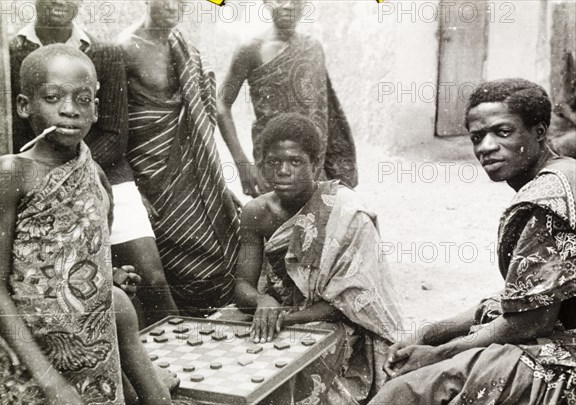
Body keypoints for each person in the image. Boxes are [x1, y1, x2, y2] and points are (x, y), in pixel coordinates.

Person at [0, 45, 171, 404]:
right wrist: (50, 382)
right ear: (25, 105)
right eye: (53, 97)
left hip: (92, 356)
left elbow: (83, 250)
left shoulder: (95, 175)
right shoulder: (12, 172)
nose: (70, 109)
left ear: (96, 111)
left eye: (83, 99)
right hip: (31, 361)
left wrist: (107, 276)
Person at [370, 78, 576, 404]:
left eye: (502, 132)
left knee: (402, 392)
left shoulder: (546, 197)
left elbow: (531, 318)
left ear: (539, 131)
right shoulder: (566, 172)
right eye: (477, 137)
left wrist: (440, 353)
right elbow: (527, 293)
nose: (486, 147)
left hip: (566, 357)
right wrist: (431, 332)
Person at [9, 0, 179, 326]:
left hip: (107, 172)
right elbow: (18, 134)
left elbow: (114, 136)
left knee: (152, 279)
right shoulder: (13, 54)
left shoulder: (103, 52)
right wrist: (56, 177)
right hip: (41, 176)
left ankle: (181, 361)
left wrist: (78, 170)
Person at [234, 113, 402, 404]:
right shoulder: (256, 212)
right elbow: (241, 285)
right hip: (277, 313)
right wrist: (263, 301)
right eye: (274, 162)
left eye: (295, 162)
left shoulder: (348, 213)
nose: (283, 171)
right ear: (262, 166)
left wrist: (286, 319)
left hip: (336, 321)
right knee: (238, 363)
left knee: (307, 366)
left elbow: (352, 302)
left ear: (315, 164)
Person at [116, 0, 240, 317]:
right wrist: (132, 191)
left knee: (213, 254)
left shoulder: (185, 49)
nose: (174, 5)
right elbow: (112, 132)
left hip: (190, 175)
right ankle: (172, 334)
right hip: (148, 177)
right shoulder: (123, 49)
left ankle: (208, 325)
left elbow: (200, 118)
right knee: (162, 266)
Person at [217, 0, 358, 197]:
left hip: (312, 166)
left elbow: (327, 112)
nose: (287, 6)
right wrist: (242, 164)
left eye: (296, 0)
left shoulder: (313, 48)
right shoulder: (251, 50)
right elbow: (222, 104)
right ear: (266, 3)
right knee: (275, 222)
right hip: (273, 165)